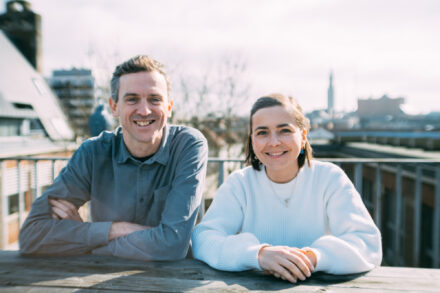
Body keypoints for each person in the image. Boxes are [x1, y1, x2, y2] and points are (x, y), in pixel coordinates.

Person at [19, 55, 208, 261]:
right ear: (114, 106)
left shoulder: (188, 146)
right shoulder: (92, 153)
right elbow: (31, 236)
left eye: (154, 99)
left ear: (169, 107)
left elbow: (172, 245)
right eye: (132, 99)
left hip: (173, 281)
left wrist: (88, 236)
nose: (144, 110)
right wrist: (117, 230)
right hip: (100, 279)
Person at [192, 93, 382, 283]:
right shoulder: (239, 183)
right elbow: (204, 239)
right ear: (252, 141)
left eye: (284, 130)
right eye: (262, 132)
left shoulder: (330, 178)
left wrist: (310, 258)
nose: (274, 142)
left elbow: (367, 244)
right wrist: (258, 254)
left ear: (303, 136)